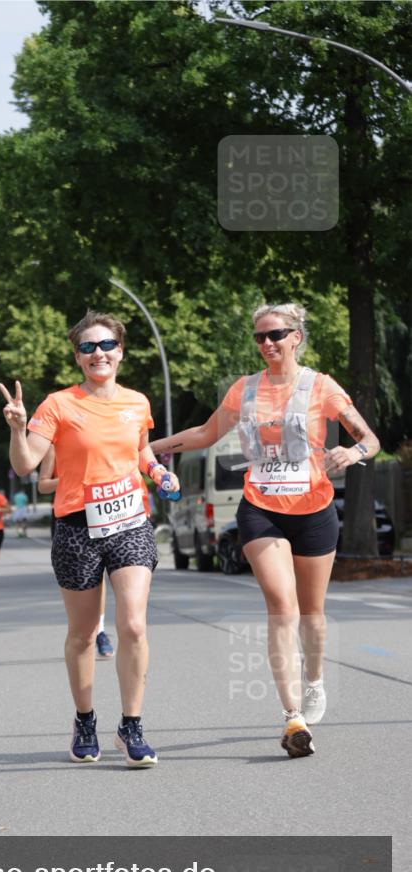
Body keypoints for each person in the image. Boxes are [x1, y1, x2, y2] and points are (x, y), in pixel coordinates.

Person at [151, 302, 379, 758]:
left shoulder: (321, 386)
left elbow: (369, 439)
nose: (267, 344)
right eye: (259, 337)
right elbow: (205, 433)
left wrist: (352, 454)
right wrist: (144, 448)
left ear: (296, 336)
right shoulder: (245, 389)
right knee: (281, 604)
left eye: (275, 334)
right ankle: (292, 716)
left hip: (314, 510)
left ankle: (314, 681)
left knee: (312, 614)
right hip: (261, 509)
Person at [0, 310, 179, 767]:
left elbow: (140, 451)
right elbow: (25, 464)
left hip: (130, 522)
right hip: (77, 527)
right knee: (82, 634)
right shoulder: (58, 405)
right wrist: (18, 429)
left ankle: (131, 726)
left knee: (133, 624)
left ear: (121, 351)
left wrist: (158, 471)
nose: (98, 353)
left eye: (106, 345)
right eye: (87, 347)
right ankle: (84, 720)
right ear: (78, 357)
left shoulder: (137, 402)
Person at [39, 444, 115, 659]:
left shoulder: (101, 438)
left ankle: (100, 631)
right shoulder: (54, 447)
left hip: (102, 510)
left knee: (100, 575)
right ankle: (84, 632)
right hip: (69, 518)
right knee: (82, 580)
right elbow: (43, 485)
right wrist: (73, 479)